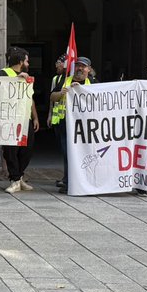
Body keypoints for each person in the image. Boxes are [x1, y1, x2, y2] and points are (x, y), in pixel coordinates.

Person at [0, 46, 41, 194]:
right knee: (10, 151)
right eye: (27, 61)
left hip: (25, 118)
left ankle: (19, 177)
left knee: (27, 151)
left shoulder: (27, 77)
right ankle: (14, 180)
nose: (28, 64)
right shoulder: (2, 73)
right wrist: (16, 79)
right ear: (21, 61)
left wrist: (35, 117)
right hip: (9, 119)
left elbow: (30, 98)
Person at [49, 56, 91, 192]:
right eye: (78, 65)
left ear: (88, 69)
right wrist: (62, 92)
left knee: (85, 154)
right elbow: (52, 97)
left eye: (83, 66)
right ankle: (68, 182)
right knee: (68, 153)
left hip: (85, 127)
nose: (80, 68)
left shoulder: (94, 82)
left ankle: (85, 181)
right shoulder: (63, 80)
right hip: (65, 125)